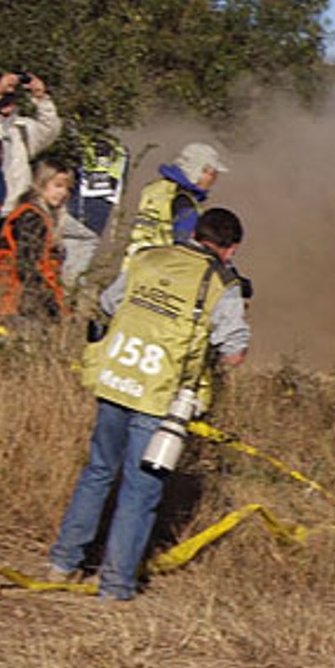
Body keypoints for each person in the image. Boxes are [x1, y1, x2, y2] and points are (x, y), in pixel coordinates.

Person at [47, 208, 252, 601]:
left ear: (194, 233)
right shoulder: (221, 282)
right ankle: (116, 586)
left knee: (98, 472)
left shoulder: (149, 257)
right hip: (160, 398)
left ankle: (63, 562)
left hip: (115, 382)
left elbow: (108, 304)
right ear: (231, 249)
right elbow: (234, 353)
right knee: (140, 491)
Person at [0, 161, 71, 321]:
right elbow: (27, 266)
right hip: (13, 301)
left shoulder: (32, 213)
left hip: (11, 299)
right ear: (41, 184)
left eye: (68, 188)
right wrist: (51, 306)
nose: (63, 193)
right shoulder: (32, 218)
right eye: (57, 185)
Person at [127, 142, 226, 259]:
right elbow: (186, 248)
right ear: (198, 171)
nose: (214, 180)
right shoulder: (185, 204)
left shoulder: (157, 189)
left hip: (134, 264)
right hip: (162, 268)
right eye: (212, 174)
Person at [0, 72, 63, 219]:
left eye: (11, 98)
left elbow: (49, 130)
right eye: (3, 98)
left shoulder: (20, 127)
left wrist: (40, 98)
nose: (7, 102)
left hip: (14, 209)